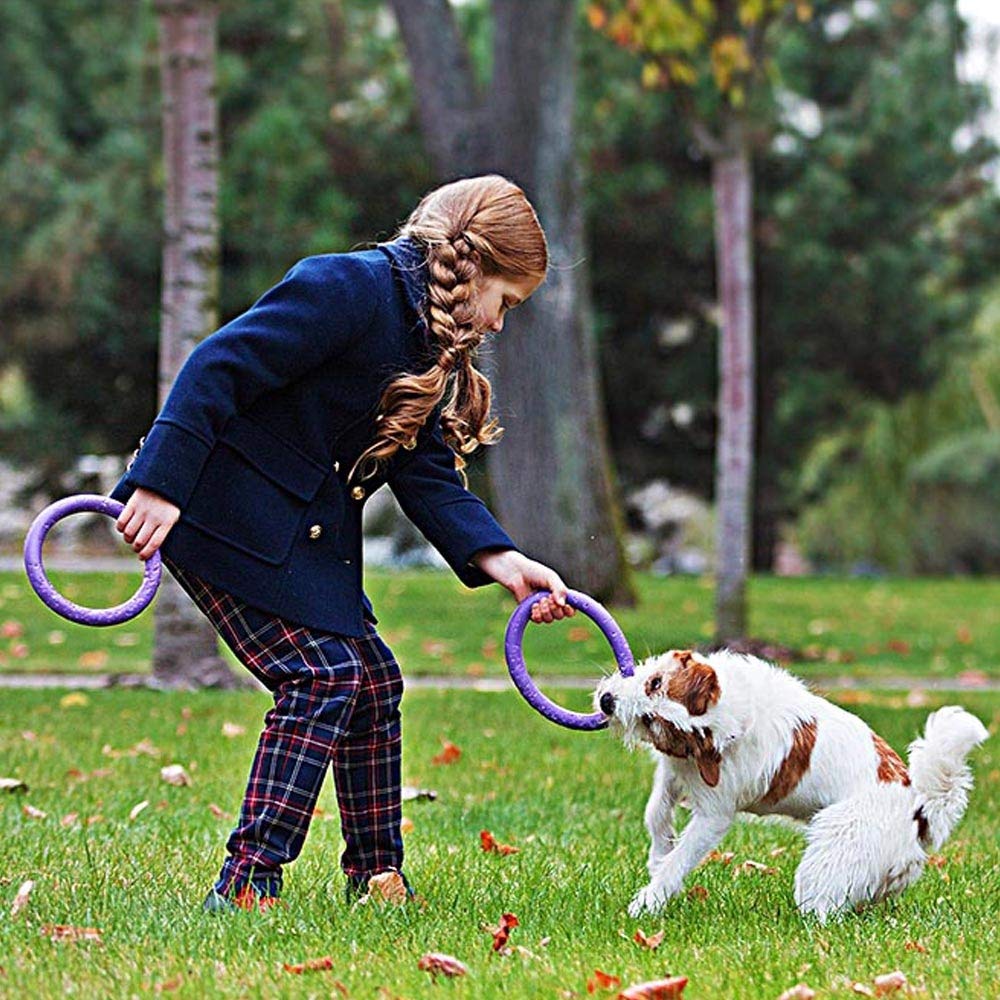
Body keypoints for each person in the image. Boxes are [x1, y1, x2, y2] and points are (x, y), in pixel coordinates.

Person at [111, 174, 575, 911]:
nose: (499, 323)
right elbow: (217, 367)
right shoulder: (348, 289)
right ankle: (247, 883)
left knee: (373, 680)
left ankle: (375, 874)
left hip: (301, 536)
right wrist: (159, 484)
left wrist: (501, 558)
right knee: (322, 676)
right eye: (507, 302)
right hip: (220, 514)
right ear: (477, 263)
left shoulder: (428, 337)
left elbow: (422, 469)